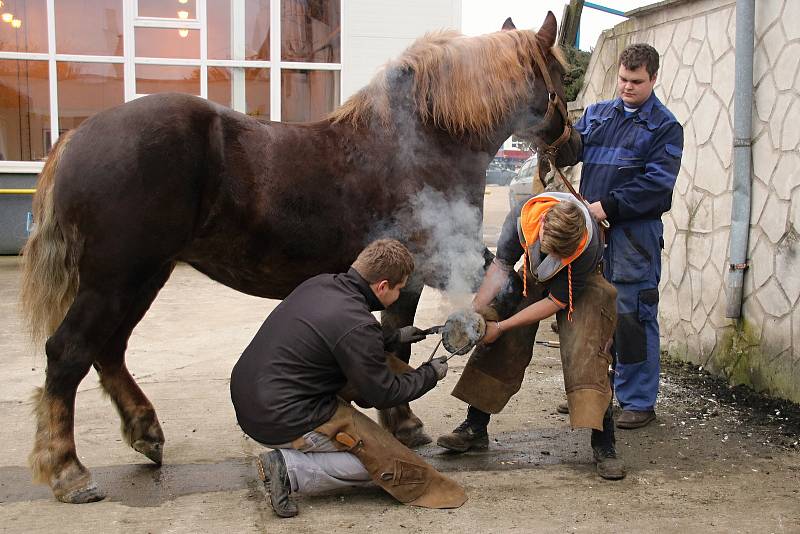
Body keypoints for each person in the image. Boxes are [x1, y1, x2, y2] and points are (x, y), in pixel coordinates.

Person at [230, 239, 465, 518]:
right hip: (281, 417)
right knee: (395, 466)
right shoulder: (358, 324)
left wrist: (394, 336)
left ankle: (301, 455)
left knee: (378, 366)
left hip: (253, 396)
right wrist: (430, 374)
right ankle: (290, 468)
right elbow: (384, 393)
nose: (400, 295)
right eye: (400, 288)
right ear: (382, 287)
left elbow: (345, 333)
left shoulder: (321, 284)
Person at [437, 192, 625, 480]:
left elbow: (555, 303)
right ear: (542, 226)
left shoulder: (589, 245)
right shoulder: (520, 219)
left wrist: (503, 325)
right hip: (534, 274)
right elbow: (500, 267)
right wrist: (476, 313)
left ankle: (604, 443)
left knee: (586, 353)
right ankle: (474, 427)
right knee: (503, 344)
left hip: (580, 284)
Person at [575, 43, 683, 429]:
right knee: (589, 314)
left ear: (654, 78)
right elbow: (572, 146)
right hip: (591, 235)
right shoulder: (598, 115)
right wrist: (552, 134)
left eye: (636, 81)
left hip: (633, 237)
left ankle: (638, 401)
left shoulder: (666, 128)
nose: (627, 87)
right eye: (622, 79)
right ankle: (592, 395)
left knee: (633, 318)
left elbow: (657, 187)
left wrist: (607, 207)